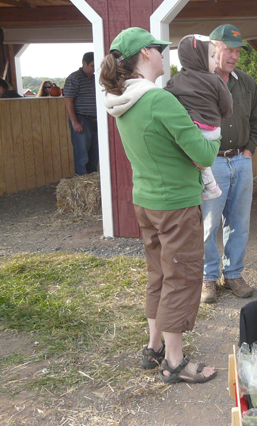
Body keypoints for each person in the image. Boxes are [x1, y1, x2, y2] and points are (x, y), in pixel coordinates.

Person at [100, 27, 220, 384]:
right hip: (176, 204)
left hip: (147, 200)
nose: (164, 53)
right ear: (146, 55)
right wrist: (213, 132)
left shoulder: (123, 98)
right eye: (158, 48)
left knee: (160, 275)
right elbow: (202, 153)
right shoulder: (158, 99)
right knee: (181, 279)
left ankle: (153, 347)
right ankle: (174, 361)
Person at [201, 24, 257, 303]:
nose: (234, 56)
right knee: (209, 223)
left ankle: (234, 274)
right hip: (210, 163)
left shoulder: (246, 82)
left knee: (239, 222)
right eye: (229, 49)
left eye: (237, 51)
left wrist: (249, 150)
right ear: (214, 48)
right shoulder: (200, 81)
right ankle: (208, 278)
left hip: (240, 159)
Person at [165, 34, 233, 201]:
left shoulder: (175, 81)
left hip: (194, 130)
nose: (216, 61)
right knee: (198, 160)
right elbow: (227, 105)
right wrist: (221, 116)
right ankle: (209, 187)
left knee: (190, 157)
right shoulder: (215, 80)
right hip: (212, 129)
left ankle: (209, 186)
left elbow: (168, 101)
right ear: (199, 59)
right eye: (212, 56)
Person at [64, 52, 98, 175]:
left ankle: (92, 182)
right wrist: (74, 121)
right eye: (92, 66)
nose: (94, 69)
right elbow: (68, 100)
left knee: (95, 154)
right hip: (81, 119)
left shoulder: (96, 78)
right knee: (82, 155)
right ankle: (81, 183)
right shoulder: (74, 78)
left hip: (95, 119)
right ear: (84, 63)